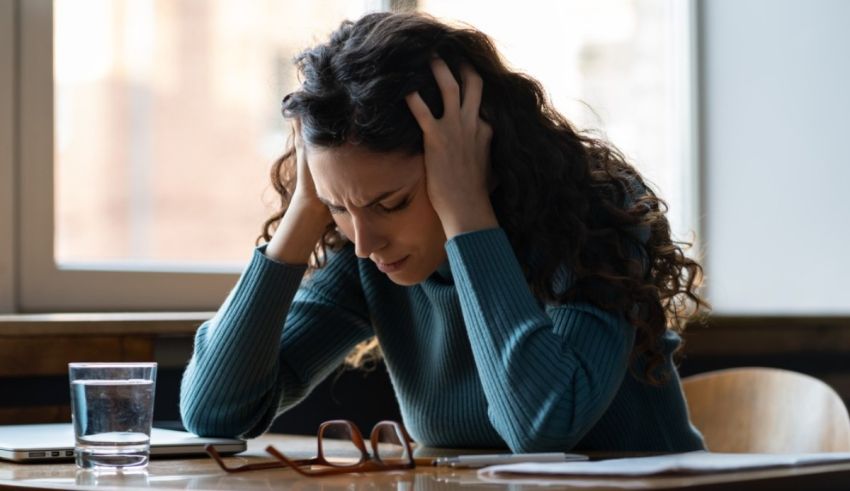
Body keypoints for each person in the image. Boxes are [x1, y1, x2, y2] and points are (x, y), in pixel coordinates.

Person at [180, 11, 707, 453]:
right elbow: (214, 412)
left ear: (472, 160)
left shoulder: (590, 216)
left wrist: (466, 212)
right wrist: (304, 211)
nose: (365, 242)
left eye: (393, 202)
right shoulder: (366, 252)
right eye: (339, 207)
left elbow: (541, 427)